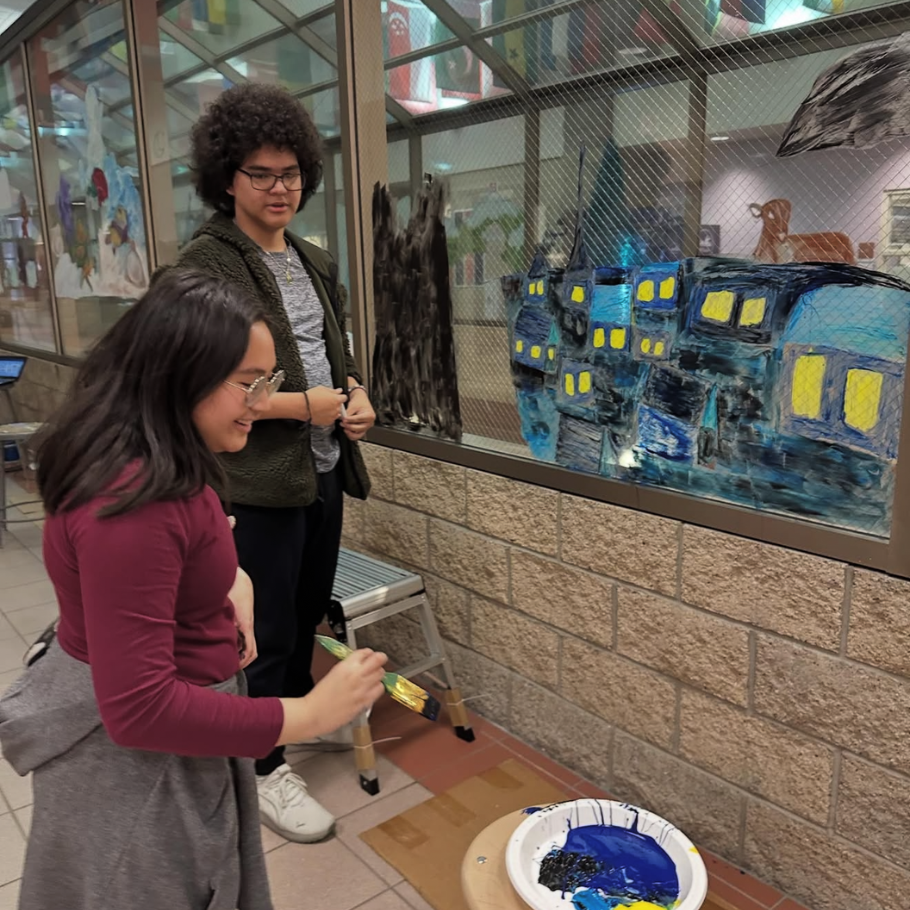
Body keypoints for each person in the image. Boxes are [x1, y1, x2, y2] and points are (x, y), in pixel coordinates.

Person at [0, 270, 387, 910]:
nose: (262, 401)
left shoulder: (162, 447)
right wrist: (307, 714)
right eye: (248, 384)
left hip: (179, 738)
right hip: (137, 771)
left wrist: (226, 578)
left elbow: (176, 548)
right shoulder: (128, 501)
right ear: (180, 372)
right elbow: (141, 710)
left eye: (270, 382)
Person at [156, 83, 375, 844]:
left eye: (291, 174)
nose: (280, 188)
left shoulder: (311, 260)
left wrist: (353, 402)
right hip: (255, 479)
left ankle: (284, 722)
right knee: (263, 629)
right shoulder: (208, 263)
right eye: (261, 174)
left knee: (306, 612)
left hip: (319, 468)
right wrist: (302, 406)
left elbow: (330, 358)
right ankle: (259, 766)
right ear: (226, 178)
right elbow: (197, 386)